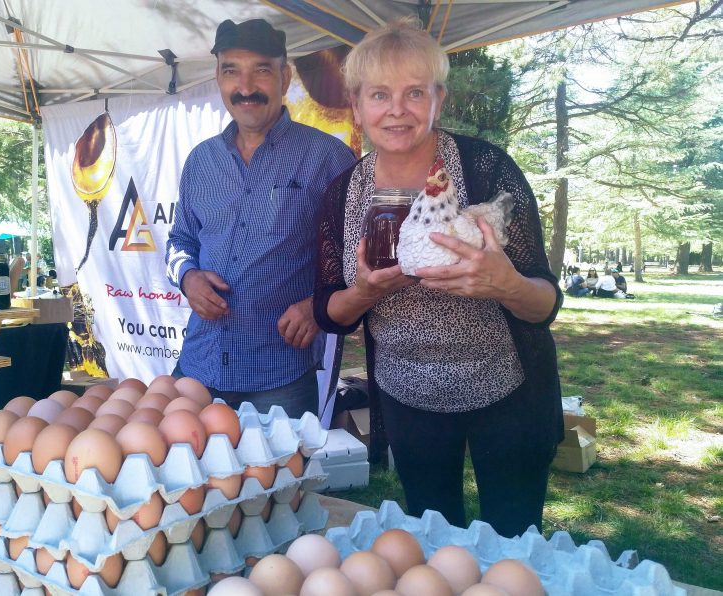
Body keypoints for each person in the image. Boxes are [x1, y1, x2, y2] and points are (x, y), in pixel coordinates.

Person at [313, 19, 562, 538]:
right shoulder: (343, 193)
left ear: (438, 99)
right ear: (357, 105)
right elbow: (328, 313)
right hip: (408, 400)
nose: (397, 109)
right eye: (380, 94)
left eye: (414, 93)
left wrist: (506, 285)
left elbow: (545, 304)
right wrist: (364, 292)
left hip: (506, 390)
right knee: (435, 543)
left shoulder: (486, 169)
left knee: (514, 542)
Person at [166, 19, 356, 418]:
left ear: (285, 77)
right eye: (231, 70)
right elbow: (179, 241)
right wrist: (187, 277)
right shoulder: (201, 161)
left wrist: (316, 306)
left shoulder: (329, 159)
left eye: (262, 71)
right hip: (199, 365)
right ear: (218, 77)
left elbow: (356, 259)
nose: (245, 87)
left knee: (280, 483)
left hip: (279, 375)